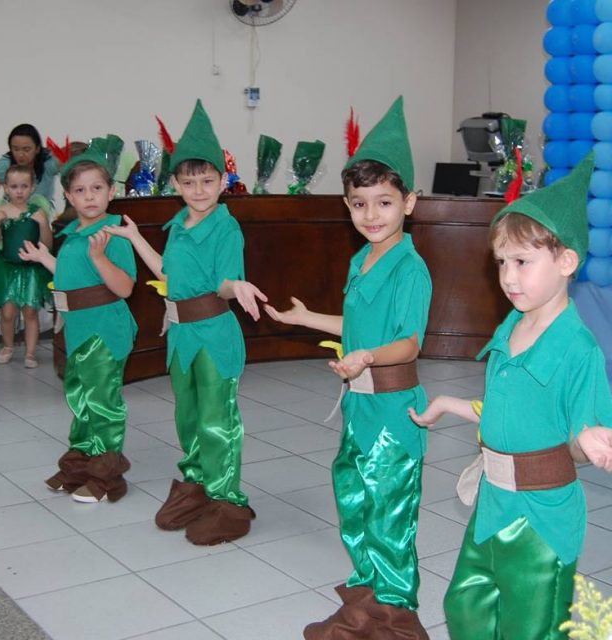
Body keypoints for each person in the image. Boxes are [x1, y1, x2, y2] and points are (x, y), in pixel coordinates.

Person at [409, 153, 612, 640]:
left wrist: (591, 438)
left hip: (540, 515)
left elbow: (584, 433)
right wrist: (449, 405)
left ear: (566, 261)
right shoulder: (512, 325)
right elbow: (510, 410)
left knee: (531, 626)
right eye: (501, 262)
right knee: (467, 605)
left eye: (522, 262)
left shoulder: (578, 348)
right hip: (493, 502)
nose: (508, 276)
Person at [265, 96, 432, 639]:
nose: (371, 215)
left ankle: (393, 608)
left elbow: (407, 344)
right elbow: (357, 327)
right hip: (360, 406)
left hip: (393, 410)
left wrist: (367, 357)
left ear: (409, 202)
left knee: (389, 508)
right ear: (347, 205)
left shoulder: (410, 268)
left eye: (384, 202)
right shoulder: (362, 259)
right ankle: (368, 587)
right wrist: (306, 317)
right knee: (354, 495)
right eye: (359, 204)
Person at [106, 99, 267, 543]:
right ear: (175, 183)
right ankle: (196, 483)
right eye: (189, 182)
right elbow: (168, 274)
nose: (199, 190)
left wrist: (238, 287)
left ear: (223, 181)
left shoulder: (225, 227)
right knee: (188, 415)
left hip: (213, 334)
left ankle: (227, 499)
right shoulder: (178, 226)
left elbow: (224, 282)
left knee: (217, 417)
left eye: (208, 181)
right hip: (181, 336)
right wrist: (135, 238)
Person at [19, 142, 137, 503]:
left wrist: (100, 257)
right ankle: (80, 464)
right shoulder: (72, 236)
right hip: (79, 330)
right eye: (80, 190)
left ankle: (107, 476)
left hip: (104, 330)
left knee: (102, 403)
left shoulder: (112, 234)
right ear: (69, 196)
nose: (89, 196)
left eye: (96, 188)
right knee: (80, 399)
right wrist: (45, 258)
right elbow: (73, 279)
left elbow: (124, 287)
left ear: (111, 192)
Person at [0, 165, 53, 367]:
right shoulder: (1, 211)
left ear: (32, 188)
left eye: (24, 186)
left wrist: (43, 224)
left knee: (30, 312)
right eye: (14, 187)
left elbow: (48, 245)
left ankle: (30, 353)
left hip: (31, 270)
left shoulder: (37, 212)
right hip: (7, 269)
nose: (19, 191)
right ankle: (8, 346)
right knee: (7, 313)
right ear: (6, 188)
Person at [0, 124, 60, 201]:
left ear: (37, 149)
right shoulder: (5, 164)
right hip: (11, 208)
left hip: (43, 208)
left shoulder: (48, 162)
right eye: (16, 149)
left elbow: (68, 162)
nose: (20, 155)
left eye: (26, 150)